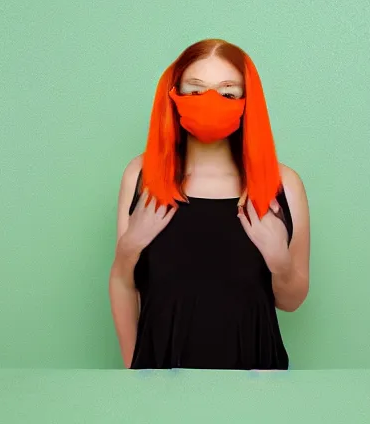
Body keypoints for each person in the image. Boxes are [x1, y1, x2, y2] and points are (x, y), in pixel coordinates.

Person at [109, 39, 310, 370]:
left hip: (257, 386)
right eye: (195, 91)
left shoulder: (283, 186)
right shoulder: (141, 177)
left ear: (248, 102)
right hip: (160, 386)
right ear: (174, 97)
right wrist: (134, 376)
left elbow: (291, 302)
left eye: (228, 93)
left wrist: (280, 261)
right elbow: (122, 282)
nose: (211, 103)